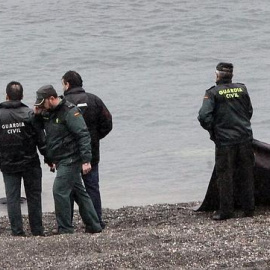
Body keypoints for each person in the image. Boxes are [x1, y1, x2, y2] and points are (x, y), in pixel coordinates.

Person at [34, 84, 102, 234]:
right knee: (79, 193)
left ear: (51, 98)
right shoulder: (49, 112)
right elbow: (38, 126)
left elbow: (83, 135)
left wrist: (86, 160)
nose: (42, 107)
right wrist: (37, 114)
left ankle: (65, 228)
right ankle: (94, 225)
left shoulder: (70, 111)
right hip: (60, 158)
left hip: (71, 158)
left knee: (59, 191)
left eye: (42, 103)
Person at [198, 62, 255, 220]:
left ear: (217, 75)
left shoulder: (212, 93)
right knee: (246, 173)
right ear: (231, 76)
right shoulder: (242, 89)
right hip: (244, 137)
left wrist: (214, 131)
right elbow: (249, 111)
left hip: (225, 141)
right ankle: (249, 209)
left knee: (225, 175)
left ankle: (226, 211)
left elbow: (203, 116)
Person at [62, 71, 112, 228]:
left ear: (67, 84)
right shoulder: (94, 100)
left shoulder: (63, 103)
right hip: (91, 152)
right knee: (92, 187)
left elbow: (55, 129)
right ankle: (96, 220)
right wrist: (95, 138)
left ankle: (67, 224)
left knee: (68, 189)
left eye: (63, 83)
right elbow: (108, 123)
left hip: (68, 154)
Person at [0, 81, 46, 236]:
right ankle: (37, 231)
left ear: (6, 96)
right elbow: (41, 139)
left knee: (12, 198)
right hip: (30, 162)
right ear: (21, 96)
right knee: (34, 196)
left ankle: (17, 231)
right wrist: (49, 158)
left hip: (7, 164)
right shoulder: (29, 114)